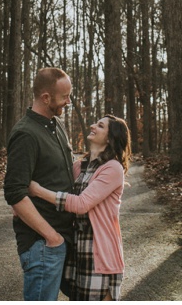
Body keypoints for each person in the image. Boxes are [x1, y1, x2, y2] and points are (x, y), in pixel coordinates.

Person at [29, 114, 130, 301]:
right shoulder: (79, 167)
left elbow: (81, 204)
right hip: (76, 251)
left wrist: (37, 191)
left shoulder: (112, 168)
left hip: (99, 255)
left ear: (109, 138)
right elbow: (58, 189)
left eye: (100, 126)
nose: (93, 126)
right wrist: (24, 202)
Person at [4, 67, 76, 301]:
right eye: (65, 96)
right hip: (43, 245)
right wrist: (52, 237)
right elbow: (15, 192)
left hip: (63, 239)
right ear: (46, 98)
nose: (68, 101)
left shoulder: (56, 126)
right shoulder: (26, 134)